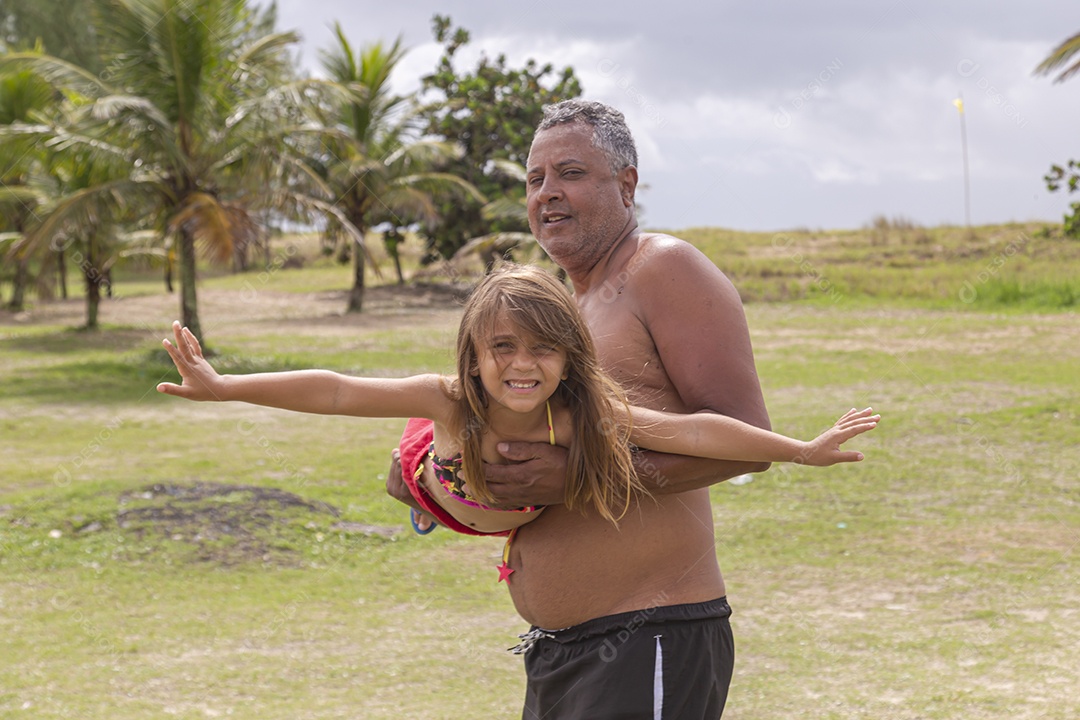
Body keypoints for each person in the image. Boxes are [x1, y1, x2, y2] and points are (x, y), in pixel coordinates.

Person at [385, 100, 830, 718]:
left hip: (647, 638)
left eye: (570, 173)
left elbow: (748, 441)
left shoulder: (662, 269)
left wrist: (579, 482)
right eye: (535, 179)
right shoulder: (558, 308)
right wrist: (433, 479)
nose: (548, 194)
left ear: (627, 183)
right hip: (561, 651)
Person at [157, 263, 877, 556]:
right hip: (441, 472)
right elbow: (339, 388)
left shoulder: (585, 410)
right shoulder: (448, 396)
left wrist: (796, 448)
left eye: (543, 350)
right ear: (472, 357)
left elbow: (691, 429)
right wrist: (226, 386)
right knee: (418, 454)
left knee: (596, 455)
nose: (522, 365)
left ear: (570, 358)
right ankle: (412, 485)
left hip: (499, 505)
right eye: (502, 347)